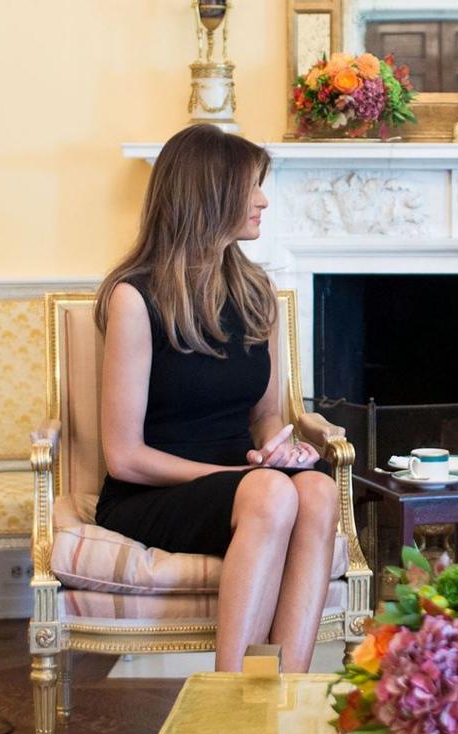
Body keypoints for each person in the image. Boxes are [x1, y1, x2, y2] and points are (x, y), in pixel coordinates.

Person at [93, 124, 339, 673]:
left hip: (247, 479)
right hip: (149, 492)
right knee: (272, 495)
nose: (263, 200)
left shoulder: (257, 294)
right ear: (209, 194)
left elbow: (266, 415)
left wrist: (278, 449)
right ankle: (230, 708)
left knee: (319, 489)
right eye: (251, 187)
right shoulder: (135, 298)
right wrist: (241, 478)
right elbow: (124, 457)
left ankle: (284, 694)